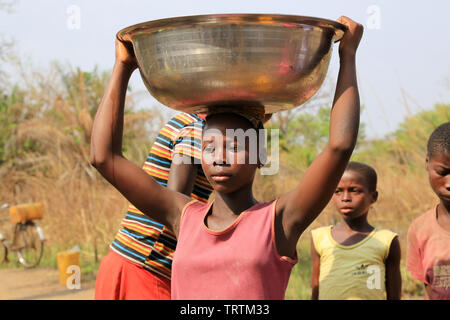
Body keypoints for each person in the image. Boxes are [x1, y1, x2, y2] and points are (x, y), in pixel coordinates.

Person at [90, 16, 363, 299]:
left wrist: (348, 57)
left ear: (261, 154)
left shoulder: (279, 221)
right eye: (208, 147)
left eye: (234, 146)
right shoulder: (183, 217)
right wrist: (122, 67)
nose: (218, 158)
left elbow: (339, 147)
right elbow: (104, 158)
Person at [94, 112, 213, 300]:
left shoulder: (192, 121)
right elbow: (174, 207)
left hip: (128, 261)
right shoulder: (198, 129)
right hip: (147, 268)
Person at [310, 161, 402, 300]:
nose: (345, 198)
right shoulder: (319, 237)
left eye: (354, 190)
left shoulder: (387, 241)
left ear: (373, 196)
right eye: (338, 191)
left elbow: (394, 295)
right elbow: (316, 290)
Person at [406, 122, 450, 300]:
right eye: (442, 172)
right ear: (427, 163)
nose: (449, 184)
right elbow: (430, 289)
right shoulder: (420, 229)